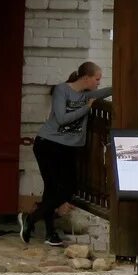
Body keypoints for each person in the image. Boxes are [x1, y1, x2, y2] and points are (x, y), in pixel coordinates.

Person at [20, 61, 112, 247]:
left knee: (66, 189)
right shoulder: (62, 90)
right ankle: (44, 228)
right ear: (86, 78)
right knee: (55, 189)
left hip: (67, 148)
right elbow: (61, 118)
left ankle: (33, 220)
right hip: (48, 145)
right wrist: (87, 107)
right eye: (97, 79)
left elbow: (105, 92)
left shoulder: (88, 94)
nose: (98, 83)